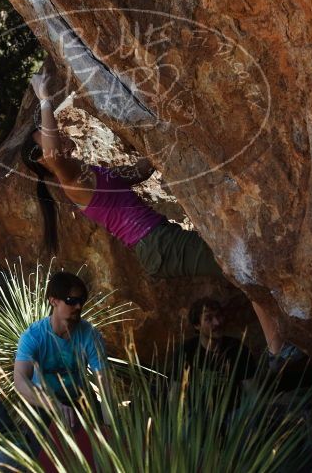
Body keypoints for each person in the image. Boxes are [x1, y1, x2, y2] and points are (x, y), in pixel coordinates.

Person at [21, 72, 290, 360]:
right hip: (156, 244)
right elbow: (53, 154)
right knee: (242, 267)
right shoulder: (70, 181)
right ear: (42, 159)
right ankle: (279, 353)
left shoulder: (86, 172)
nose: (58, 133)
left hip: (158, 241)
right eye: (48, 135)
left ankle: (281, 349)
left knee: (242, 267)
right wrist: (45, 100)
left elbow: (139, 172)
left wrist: (162, 138)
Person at [13, 270, 109, 430]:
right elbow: (20, 381)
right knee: (43, 450)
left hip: (80, 399)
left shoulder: (90, 335)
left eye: (81, 300)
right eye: (71, 300)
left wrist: (109, 428)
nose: (78, 306)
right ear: (53, 301)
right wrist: (53, 405)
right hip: (43, 403)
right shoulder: (33, 336)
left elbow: (105, 384)